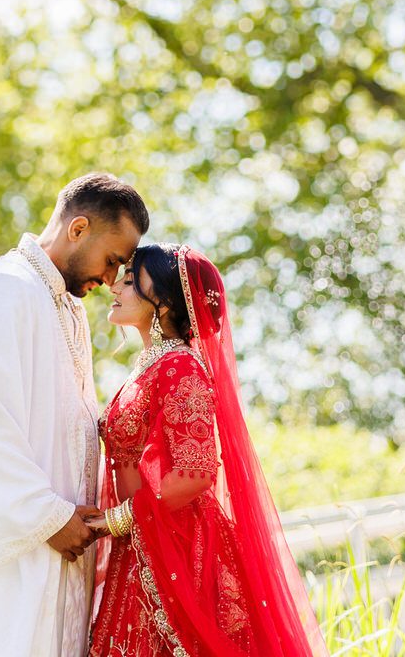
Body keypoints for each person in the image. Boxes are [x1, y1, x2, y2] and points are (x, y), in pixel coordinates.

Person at [0, 173, 149, 657]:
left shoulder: (69, 310)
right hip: (19, 553)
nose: (113, 279)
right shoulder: (5, 286)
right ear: (78, 229)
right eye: (112, 260)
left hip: (64, 554)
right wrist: (48, 517)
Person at [86, 244, 327, 657]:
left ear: (163, 302)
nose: (115, 287)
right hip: (146, 541)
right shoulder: (151, 365)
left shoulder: (181, 366)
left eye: (130, 280)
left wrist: (117, 519)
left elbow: (194, 474)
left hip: (180, 550)